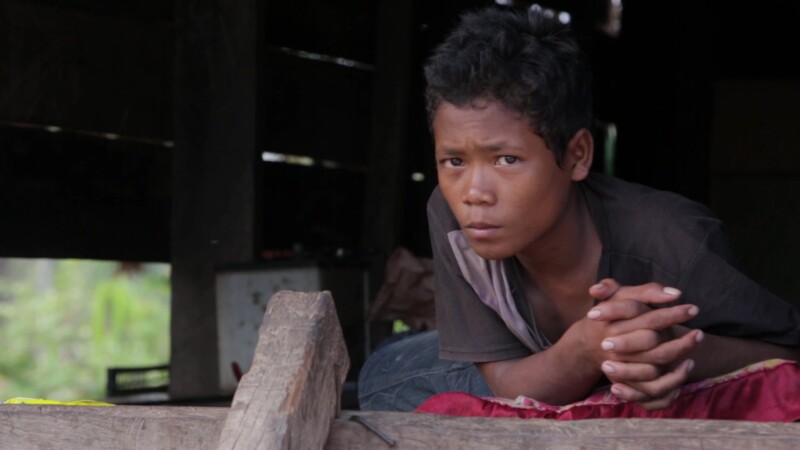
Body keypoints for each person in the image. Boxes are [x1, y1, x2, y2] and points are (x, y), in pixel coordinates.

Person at [358, 6, 800, 412]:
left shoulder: (673, 239)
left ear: (578, 156)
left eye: (506, 160)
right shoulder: (451, 214)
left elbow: (787, 361)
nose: (474, 192)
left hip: (662, 385)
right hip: (542, 371)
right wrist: (588, 350)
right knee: (382, 374)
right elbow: (507, 383)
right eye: (454, 161)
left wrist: (672, 348)